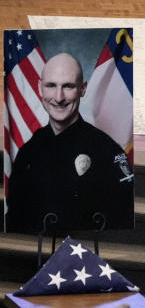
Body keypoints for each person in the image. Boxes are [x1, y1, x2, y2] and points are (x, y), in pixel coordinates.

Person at [5, 52, 135, 234]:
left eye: (68, 86)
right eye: (51, 85)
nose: (58, 97)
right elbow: (13, 220)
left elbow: (123, 223)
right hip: (32, 258)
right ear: (40, 88)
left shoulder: (107, 151)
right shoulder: (28, 151)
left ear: (83, 89)